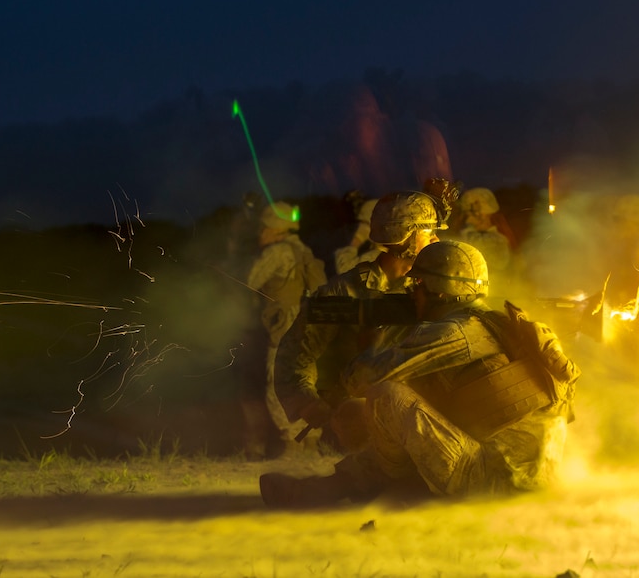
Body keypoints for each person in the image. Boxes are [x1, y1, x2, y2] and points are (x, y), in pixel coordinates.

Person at [260, 240, 582, 507]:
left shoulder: (455, 331)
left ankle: (336, 490)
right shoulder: (499, 324)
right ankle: (334, 487)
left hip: (492, 479)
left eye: (418, 285)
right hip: (531, 475)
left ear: (438, 290)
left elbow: (366, 377)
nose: (412, 293)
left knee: (385, 398)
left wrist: (381, 337)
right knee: (390, 407)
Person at [273, 190, 446, 453]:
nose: (436, 239)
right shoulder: (345, 291)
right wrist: (308, 403)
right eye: (429, 232)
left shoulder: (434, 288)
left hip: (425, 416)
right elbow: (295, 354)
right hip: (365, 419)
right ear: (403, 236)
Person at [241, 201, 327, 458]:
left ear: (274, 229)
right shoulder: (303, 250)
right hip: (309, 327)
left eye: (264, 227)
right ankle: (311, 442)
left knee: (277, 384)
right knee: (305, 382)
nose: (261, 233)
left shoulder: (277, 252)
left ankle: (292, 444)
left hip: (286, 325)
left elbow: (250, 281)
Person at [333, 198, 380, 275]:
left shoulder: (376, 256)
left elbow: (344, 269)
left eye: (363, 224)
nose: (358, 228)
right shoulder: (382, 252)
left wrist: (357, 240)